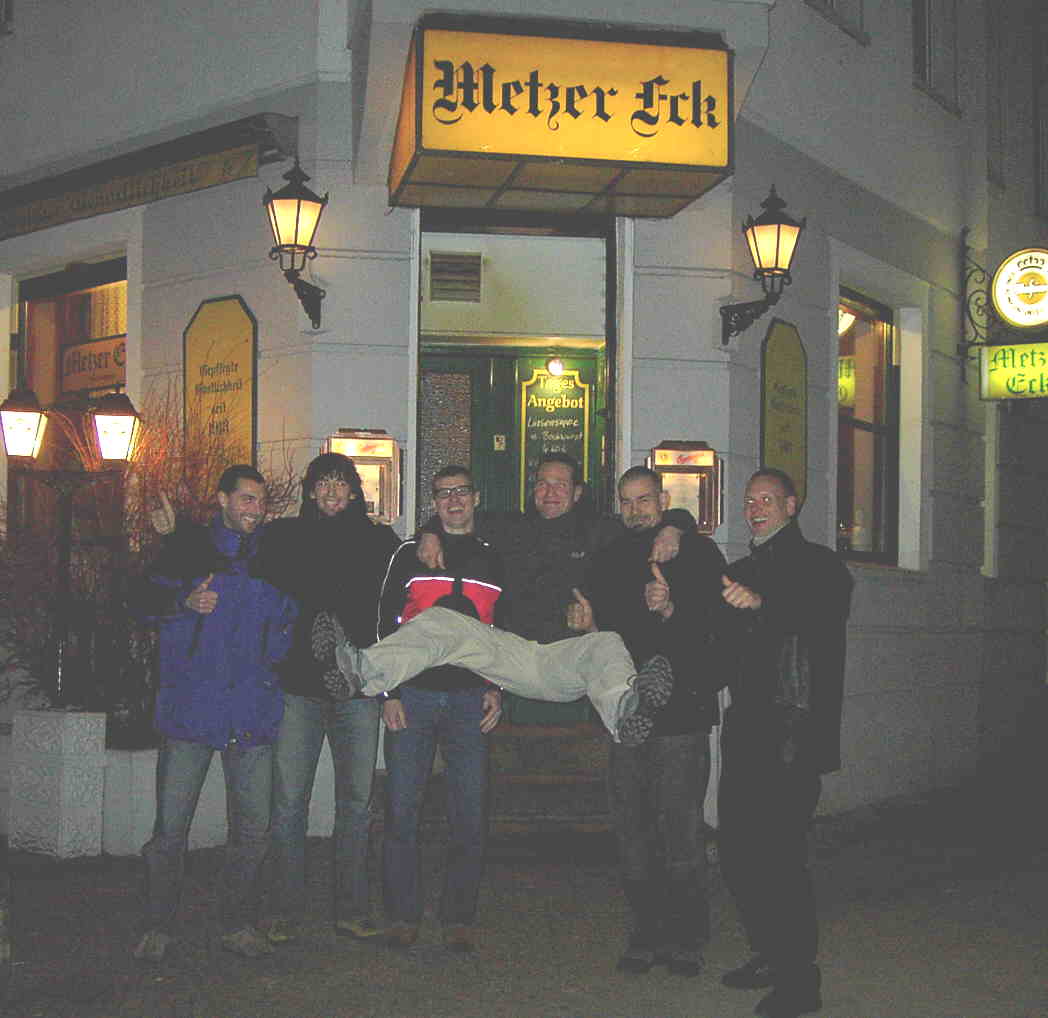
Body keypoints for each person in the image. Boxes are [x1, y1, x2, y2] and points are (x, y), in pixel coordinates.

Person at [133, 465, 297, 962]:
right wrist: (183, 602)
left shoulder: (275, 557)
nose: (255, 510)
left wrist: (273, 666)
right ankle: (158, 925)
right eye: (246, 499)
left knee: (253, 831)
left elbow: (288, 619)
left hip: (251, 713)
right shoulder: (187, 549)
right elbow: (141, 603)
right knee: (170, 831)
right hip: (191, 710)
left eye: (261, 501)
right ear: (222, 499)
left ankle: (237, 923)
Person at [571, 466, 727, 977]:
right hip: (627, 713)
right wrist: (586, 625)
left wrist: (671, 608)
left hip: (682, 714)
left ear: (663, 499)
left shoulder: (697, 552)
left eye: (644, 500)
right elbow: (599, 631)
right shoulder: (610, 557)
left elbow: (718, 627)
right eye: (627, 501)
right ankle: (646, 931)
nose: (635, 510)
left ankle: (687, 937)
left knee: (681, 829)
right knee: (633, 830)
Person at [718, 468, 853, 1018]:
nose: (755, 508)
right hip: (747, 730)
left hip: (793, 731)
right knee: (738, 852)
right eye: (749, 501)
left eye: (767, 500)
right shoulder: (739, 570)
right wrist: (672, 610)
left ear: (791, 506)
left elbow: (821, 620)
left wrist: (762, 605)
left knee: (780, 857)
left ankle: (800, 979)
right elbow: (721, 647)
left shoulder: (822, 566)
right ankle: (770, 954)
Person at [258, 453, 401, 943]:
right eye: (323, 483)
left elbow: (402, 596)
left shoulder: (379, 541)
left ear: (355, 491)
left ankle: (352, 909)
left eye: (341, 483)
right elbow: (239, 554)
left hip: (356, 690)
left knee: (356, 805)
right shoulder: (285, 538)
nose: (332, 492)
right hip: (298, 689)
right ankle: (284, 910)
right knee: (287, 804)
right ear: (310, 490)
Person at [377, 465, 504, 952]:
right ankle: (402, 914)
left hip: (470, 700)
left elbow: (501, 630)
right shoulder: (410, 554)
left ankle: (458, 917)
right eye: (443, 493)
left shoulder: (493, 557)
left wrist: (496, 688)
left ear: (476, 497)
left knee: (469, 813)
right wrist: (388, 692)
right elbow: (385, 623)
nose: (453, 500)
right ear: (433, 501)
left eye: (461, 491)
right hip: (413, 696)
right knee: (401, 810)